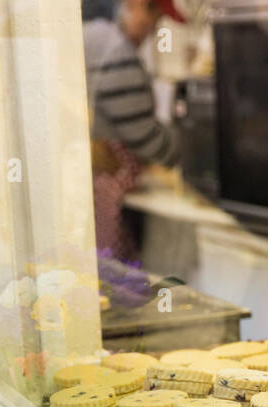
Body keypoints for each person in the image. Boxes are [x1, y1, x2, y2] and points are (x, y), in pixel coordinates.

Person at [83, 0, 184, 259]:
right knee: (118, 282)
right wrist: (198, 151)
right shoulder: (117, 52)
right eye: (154, 15)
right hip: (109, 190)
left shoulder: (93, 34)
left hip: (93, 186)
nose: (155, 27)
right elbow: (148, 139)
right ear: (135, 4)